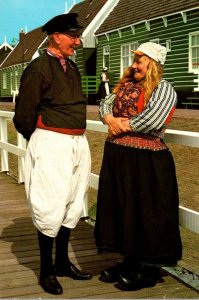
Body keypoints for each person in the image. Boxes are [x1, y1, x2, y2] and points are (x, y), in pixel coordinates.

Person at [13, 13, 92, 295]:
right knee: (50, 204)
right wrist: (42, 141)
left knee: (72, 202)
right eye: (73, 36)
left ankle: (62, 263)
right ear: (57, 36)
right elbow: (23, 115)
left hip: (76, 143)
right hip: (52, 143)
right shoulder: (38, 68)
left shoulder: (71, 67)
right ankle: (46, 270)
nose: (78, 41)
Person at [94, 42, 182, 291]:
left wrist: (121, 126)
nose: (133, 66)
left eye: (139, 62)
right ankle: (129, 262)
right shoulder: (125, 87)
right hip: (119, 158)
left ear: (152, 64)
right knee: (124, 209)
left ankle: (149, 270)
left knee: (148, 212)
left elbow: (153, 118)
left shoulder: (164, 89)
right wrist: (109, 118)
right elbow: (105, 104)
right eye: (134, 61)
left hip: (147, 161)